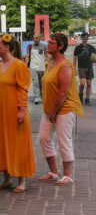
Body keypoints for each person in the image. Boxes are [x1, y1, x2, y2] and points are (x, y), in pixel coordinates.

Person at [0, 33, 36, 192]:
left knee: (18, 143)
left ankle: (21, 180)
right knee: (1, 142)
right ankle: (6, 178)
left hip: (14, 111)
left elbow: (23, 89)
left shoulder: (19, 65)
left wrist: (21, 110)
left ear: (7, 47)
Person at [39, 33, 84, 185]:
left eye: (52, 43)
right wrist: (50, 110)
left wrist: (54, 111)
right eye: (49, 42)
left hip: (64, 108)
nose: (48, 45)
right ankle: (53, 171)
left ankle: (67, 174)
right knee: (44, 138)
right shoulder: (51, 62)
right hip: (49, 109)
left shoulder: (64, 65)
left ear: (60, 46)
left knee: (64, 140)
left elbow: (63, 91)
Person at [73, 32, 96, 105]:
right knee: (82, 83)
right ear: (81, 38)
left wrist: (93, 58)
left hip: (89, 67)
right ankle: (80, 95)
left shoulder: (91, 47)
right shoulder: (78, 47)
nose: (85, 40)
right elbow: (74, 59)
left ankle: (87, 100)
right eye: (84, 38)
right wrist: (74, 69)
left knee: (89, 84)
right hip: (81, 68)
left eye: (86, 38)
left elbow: (94, 58)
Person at [25, 34, 47, 104]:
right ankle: (36, 97)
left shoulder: (44, 46)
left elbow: (47, 56)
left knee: (41, 83)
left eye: (36, 38)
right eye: (34, 38)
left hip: (42, 67)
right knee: (35, 83)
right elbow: (27, 56)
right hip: (33, 67)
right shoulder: (30, 46)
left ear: (40, 39)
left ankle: (41, 95)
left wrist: (49, 66)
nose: (35, 40)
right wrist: (25, 66)